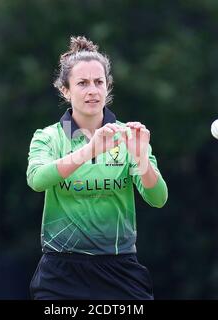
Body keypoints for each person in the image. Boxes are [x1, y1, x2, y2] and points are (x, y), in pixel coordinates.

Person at [26, 35, 168, 300]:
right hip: (61, 271)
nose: (92, 90)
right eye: (82, 83)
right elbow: (37, 179)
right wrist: (89, 150)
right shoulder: (48, 137)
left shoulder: (129, 136)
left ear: (107, 87)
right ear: (65, 90)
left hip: (120, 269)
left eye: (98, 82)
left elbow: (158, 198)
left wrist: (141, 159)